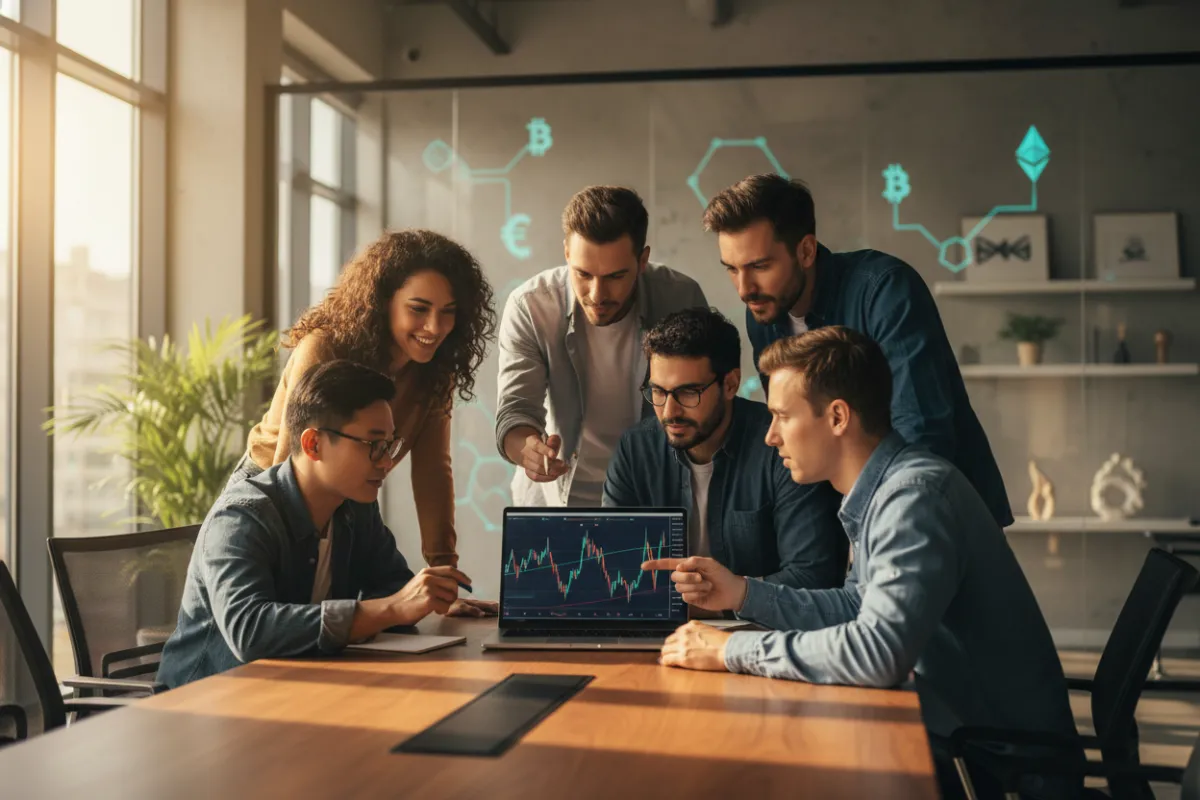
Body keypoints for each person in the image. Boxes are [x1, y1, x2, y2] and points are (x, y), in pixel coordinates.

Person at [644, 327, 1079, 799]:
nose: (770, 437)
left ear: (836, 417)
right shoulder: (885, 490)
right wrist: (743, 594)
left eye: (782, 417)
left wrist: (729, 653)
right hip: (954, 740)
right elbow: (858, 605)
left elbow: (879, 653)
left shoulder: (913, 498)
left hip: (992, 768)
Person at [704, 174, 1012, 527]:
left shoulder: (883, 290)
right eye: (732, 269)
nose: (744, 289)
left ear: (805, 251)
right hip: (854, 522)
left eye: (760, 266)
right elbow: (799, 432)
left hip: (939, 518)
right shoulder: (761, 313)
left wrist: (879, 531)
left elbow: (921, 432)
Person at [158, 361, 473, 688]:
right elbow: (250, 630)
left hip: (295, 689)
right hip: (205, 704)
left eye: (390, 445)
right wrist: (389, 610)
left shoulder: (355, 508)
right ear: (313, 444)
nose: (388, 461)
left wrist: (427, 598)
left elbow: (392, 585)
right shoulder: (241, 517)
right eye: (373, 445)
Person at [236, 229, 496, 616]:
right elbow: (289, 468)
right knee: (284, 628)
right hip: (272, 493)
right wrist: (295, 551)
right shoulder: (323, 348)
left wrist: (445, 579)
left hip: (343, 494)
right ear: (382, 302)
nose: (435, 327)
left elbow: (432, 472)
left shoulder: (435, 373)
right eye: (419, 309)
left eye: (449, 312)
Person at [602, 306, 845, 593]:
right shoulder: (636, 449)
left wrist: (718, 602)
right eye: (658, 391)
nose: (669, 411)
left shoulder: (782, 447)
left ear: (730, 384)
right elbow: (610, 566)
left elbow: (814, 576)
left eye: (688, 392)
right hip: (667, 629)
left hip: (762, 632)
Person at [495, 185, 707, 507]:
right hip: (556, 502)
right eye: (583, 274)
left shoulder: (681, 299)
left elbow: (704, 404)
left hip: (653, 498)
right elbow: (515, 410)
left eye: (615, 276)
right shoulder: (531, 307)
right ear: (566, 252)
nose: (597, 294)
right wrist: (529, 450)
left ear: (643, 260)